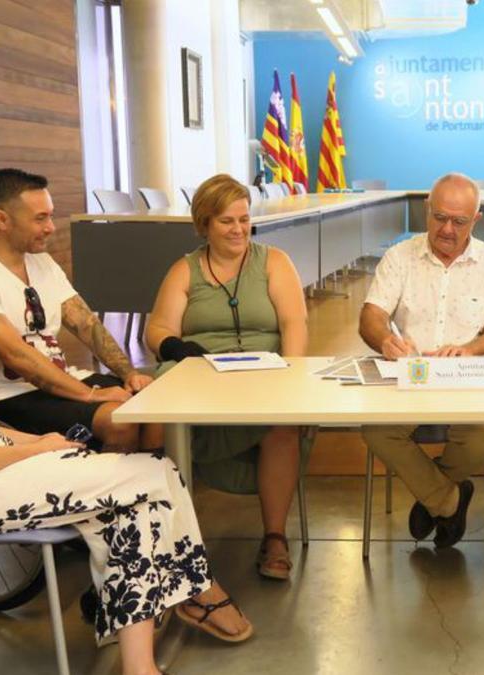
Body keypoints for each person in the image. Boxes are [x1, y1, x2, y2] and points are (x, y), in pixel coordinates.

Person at [0, 200, 252, 675]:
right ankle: (194, 595)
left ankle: (141, 662)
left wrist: (26, 441)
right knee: (152, 477)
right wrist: (34, 447)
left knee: (139, 499)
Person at [145, 173, 308, 580]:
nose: (239, 229)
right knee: (153, 421)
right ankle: (168, 536)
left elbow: (295, 324)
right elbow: (158, 330)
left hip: (266, 375)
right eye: (226, 221)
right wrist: (181, 351)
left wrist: (290, 374)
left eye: (244, 219)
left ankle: (274, 538)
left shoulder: (274, 262)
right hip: (201, 376)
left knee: (283, 426)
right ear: (204, 225)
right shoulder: (184, 270)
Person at [0, 168, 159, 452]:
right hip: (7, 397)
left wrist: (129, 372)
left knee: (155, 402)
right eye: (40, 218)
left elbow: (86, 325)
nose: (51, 227)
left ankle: (148, 488)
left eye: (50, 215)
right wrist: (91, 395)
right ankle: (107, 493)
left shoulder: (42, 263)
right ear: (2, 220)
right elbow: (18, 356)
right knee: (120, 420)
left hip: (63, 383)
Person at [358, 173, 484, 549]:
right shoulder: (400, 256)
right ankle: (449, 500)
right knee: (375, 429)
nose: (446, 229)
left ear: (475, 220)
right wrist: (386, 340)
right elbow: (370, 316)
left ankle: (433, 501)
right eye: (439, 217)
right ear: (427, 210)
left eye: (459, 222)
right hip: (410, 376)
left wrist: (470, 349)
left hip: (467, 378)